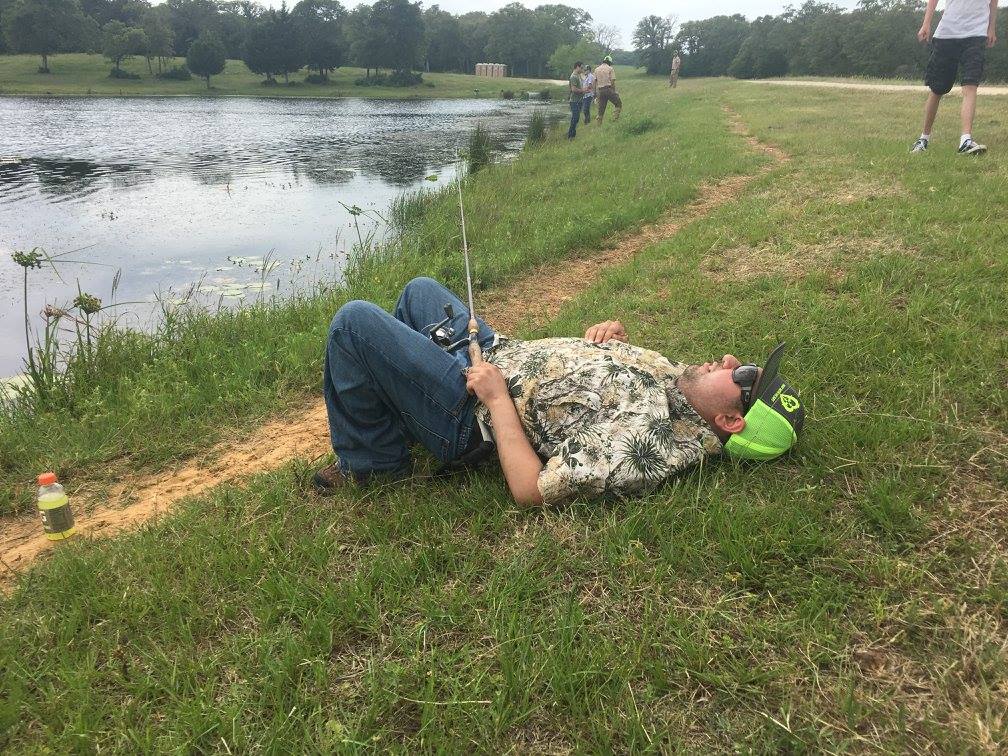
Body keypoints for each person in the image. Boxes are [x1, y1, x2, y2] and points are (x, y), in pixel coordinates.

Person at [315, 277, 806, 507]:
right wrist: (611, 345)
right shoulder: (686, 389)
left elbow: (531, 489)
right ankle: (399, 411)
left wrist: (496, 399)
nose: (728, 361)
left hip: (471, 411)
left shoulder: (647, 446)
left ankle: (374, 466)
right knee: (418, 291)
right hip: (495, 351)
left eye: (742, 377)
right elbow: (614, 385)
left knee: (353, 323)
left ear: (730, 421)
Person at [911, 0, 999, 155]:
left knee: (970, 85)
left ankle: (965, 141)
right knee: (937, 89)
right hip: (947, 34)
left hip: (976, 34)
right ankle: (923, 139)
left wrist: (991, 28)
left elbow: (993, 2)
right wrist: (926, 23)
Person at [594, 55, 622, 123]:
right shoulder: (610, 68)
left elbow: (595, 82)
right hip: (608, 89)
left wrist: (596, 94)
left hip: (600, 91)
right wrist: (614, 92)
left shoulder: (596, 69)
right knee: (618, 103)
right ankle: (615, 119)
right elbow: (612, 82)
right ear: (609, 62)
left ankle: (598, 125)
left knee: (601, 110)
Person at [567, 61, 587, 140]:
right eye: (581, 68)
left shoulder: (578, 76)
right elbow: (574, 89)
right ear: (577, 67)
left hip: (579, 101)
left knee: (575, 118)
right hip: (574, 101)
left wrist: (585, 90)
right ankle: (570, 135)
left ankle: (572, 135)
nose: (582, 69)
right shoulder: (573, 77)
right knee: (576, 117)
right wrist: (583, 91)